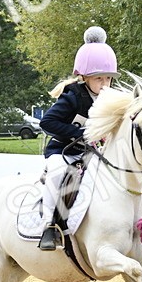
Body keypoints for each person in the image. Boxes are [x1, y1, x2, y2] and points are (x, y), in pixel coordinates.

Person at [36, 26, 118, 250]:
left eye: (108, 79)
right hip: (63, 151)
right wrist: (81, 134)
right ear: (84, 77)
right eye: (99, 79)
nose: (104, 84)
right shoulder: (73, 96)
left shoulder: (111, 98)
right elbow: (47, 123)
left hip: (93, 155)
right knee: (56, 173)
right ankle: (49, 226)